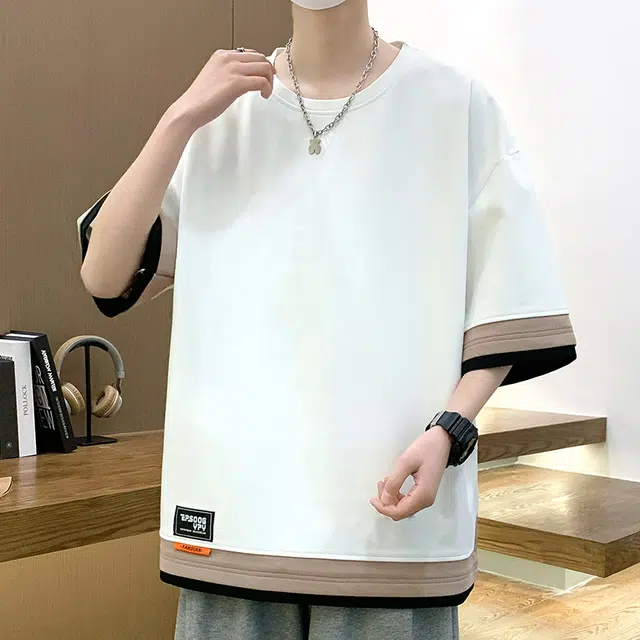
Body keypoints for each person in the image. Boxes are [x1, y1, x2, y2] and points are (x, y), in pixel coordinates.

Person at [77, 0, 577, 638]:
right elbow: (104, 274)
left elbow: (509, 300)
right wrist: (177, 120)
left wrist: (451, 430)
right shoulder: (220, 113)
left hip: (389, 517)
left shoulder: (456, 104)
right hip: (234, 513)